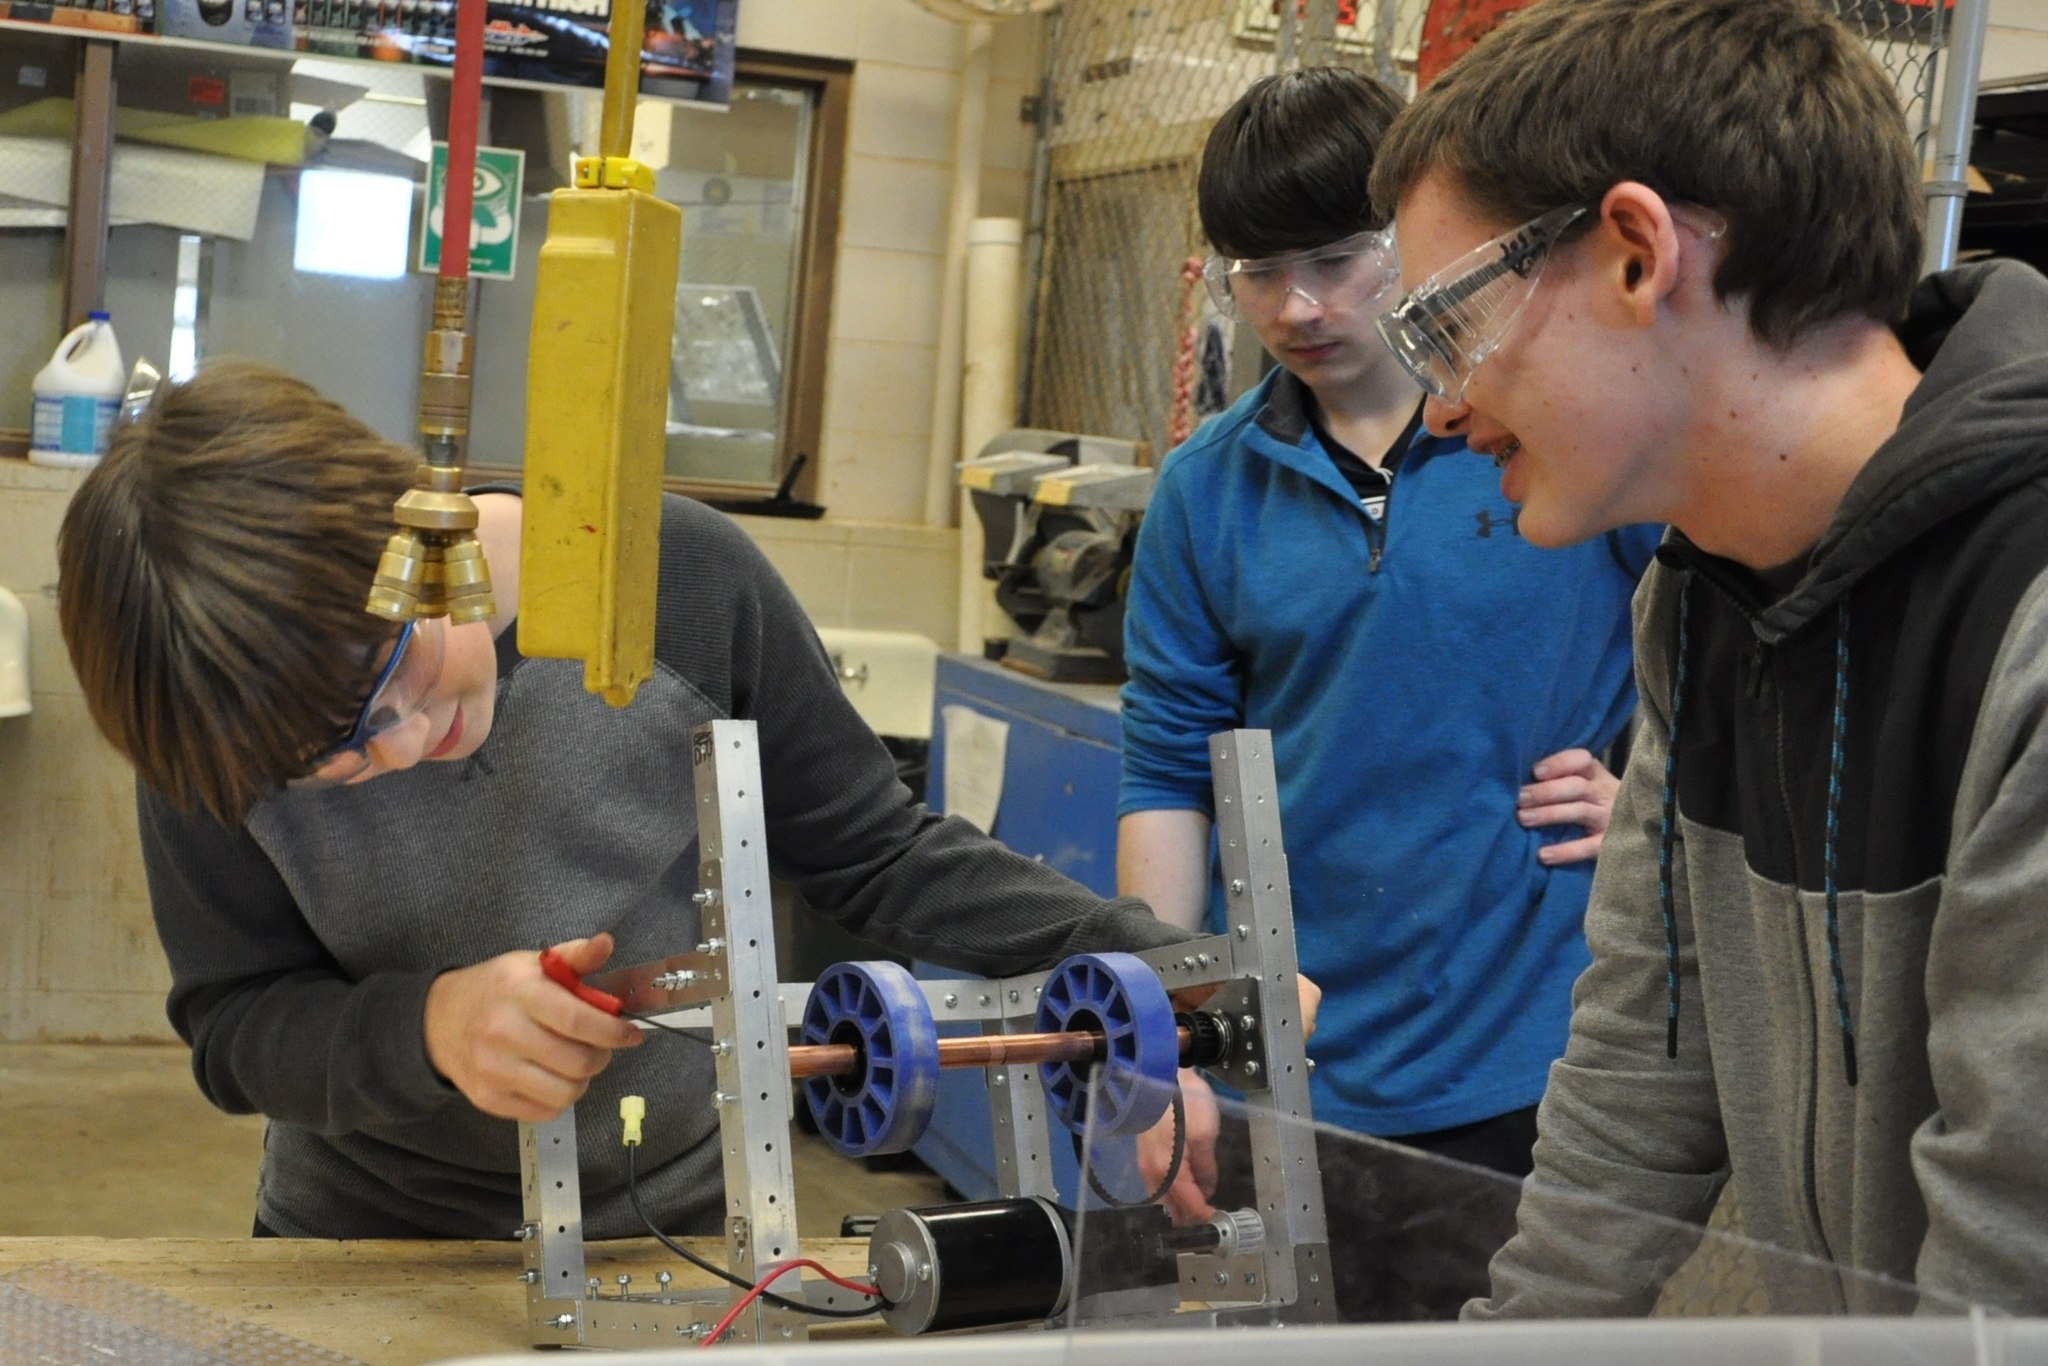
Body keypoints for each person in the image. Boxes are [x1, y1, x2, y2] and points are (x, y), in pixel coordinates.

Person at [53, 359, 1281, 1242]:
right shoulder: (210, 722)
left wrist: (1166, 967)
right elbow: (236, 1025)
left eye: (398, 677)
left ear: (413, 535)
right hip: (366, 1238)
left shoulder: (679, 581)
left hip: (686, 1226)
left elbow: (877, 853)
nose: (410, 743)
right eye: (335, 762)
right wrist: (424, 1030)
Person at [1367, 0, 2048, 1317]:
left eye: (1451, 328)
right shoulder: (1701, 602)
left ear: (1636, 253)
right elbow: (1641, 1070)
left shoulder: (2020, 612)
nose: (1442, 408)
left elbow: (2017, 1264)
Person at [1116, 66, 1658, 1320]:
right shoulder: (1206, 489)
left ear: (1407, 246)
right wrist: (1179, 1036)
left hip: (1529, 1046)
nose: (1296, 306)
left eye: (1336, 259)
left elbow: (1714, 653)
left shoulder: (1547, 436)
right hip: (1285, 1055)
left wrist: (1646, 795)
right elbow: (1162, 770)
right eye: (1256, 271)